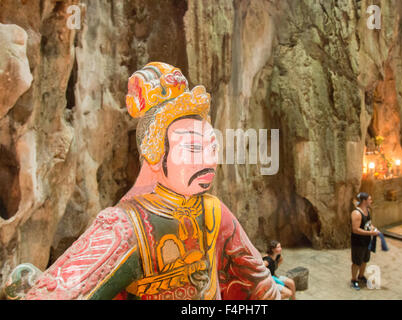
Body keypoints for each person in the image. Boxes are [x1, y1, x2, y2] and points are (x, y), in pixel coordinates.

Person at [7, 62, 280, 300]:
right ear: (154, 152)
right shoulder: (124, 227)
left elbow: (259, 283)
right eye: (194, 148)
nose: (208, 160)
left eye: (212, 147)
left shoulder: (213, 212)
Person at [350, 192, 380, 290]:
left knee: (365, 260)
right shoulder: (356, 213)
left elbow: (368, 224)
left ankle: (361, 276)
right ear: (364, 201)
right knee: (357, 262)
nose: (371, 201)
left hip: (367, 241)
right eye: (369, 199)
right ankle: (354, 280)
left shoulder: (367, 210)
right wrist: (371, 233)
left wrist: (374, 229)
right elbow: (355, 229)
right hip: (358, 242)